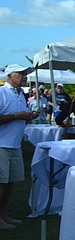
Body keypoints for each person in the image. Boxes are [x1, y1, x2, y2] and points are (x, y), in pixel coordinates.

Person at [0, 64, 38, 230]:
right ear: (9, 76)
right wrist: (17, 116)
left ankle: (3, 214)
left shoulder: (21, 94)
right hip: (1, 144)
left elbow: (18, 117)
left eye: (25, 74)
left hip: (14, 144)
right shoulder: (1, 92)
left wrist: (28, 116)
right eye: (21, 74)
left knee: (10, 182)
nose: (25, 77)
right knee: (1, 183)